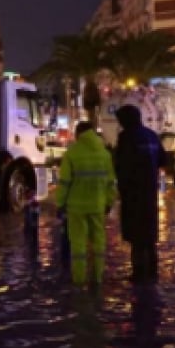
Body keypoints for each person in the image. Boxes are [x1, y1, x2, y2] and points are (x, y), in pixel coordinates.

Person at [55, 121, 117, 287]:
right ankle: (97, 278)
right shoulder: (104, 154)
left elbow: (64, 183)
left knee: (78, 245)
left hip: (76, 208)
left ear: (78, 134)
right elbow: (111, 183)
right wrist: (109, 202)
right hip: (98, 206)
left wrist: (60, 204)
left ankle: (79, 280)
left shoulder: (72, 153)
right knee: (98, 242)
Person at [112, 105, 164, 284]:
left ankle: (139, 273)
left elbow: (121, 165)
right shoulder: (152, 135)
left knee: (136, 236)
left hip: (132, 193)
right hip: (150, 192)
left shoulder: (126, 137)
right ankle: (153, 272)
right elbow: (163, 160)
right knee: (149, 235)